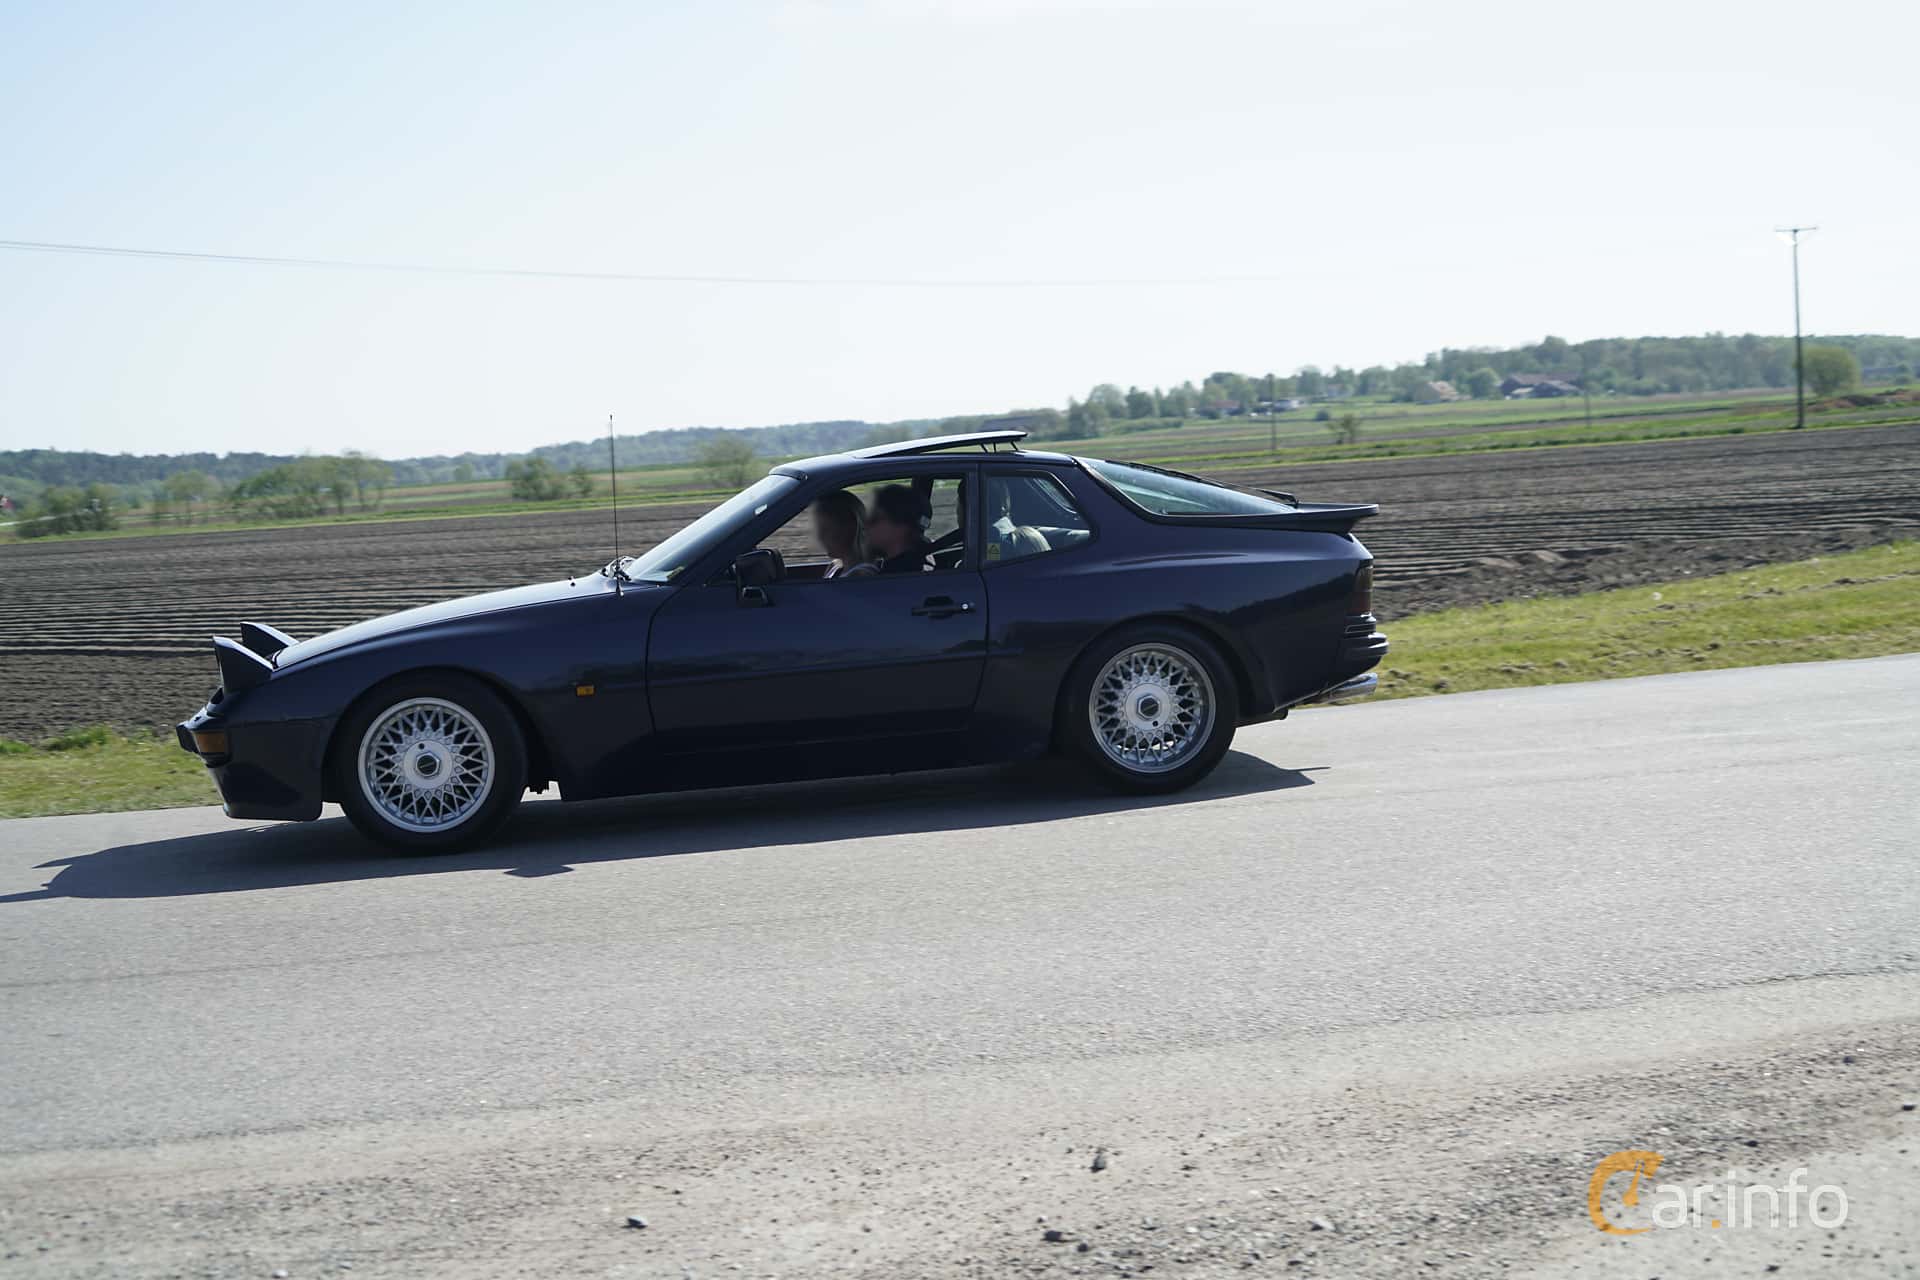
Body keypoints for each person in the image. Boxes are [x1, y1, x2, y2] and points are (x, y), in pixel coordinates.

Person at [866, 484, 934, 573]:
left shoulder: (896, 578)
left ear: (901, 529)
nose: (866, 524)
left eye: (874, 518)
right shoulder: (921, 563)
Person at [810, 489, 876, 578]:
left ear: (850, 528)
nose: (820, 536)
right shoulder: (835, 566)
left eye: (826, 529)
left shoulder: (859, 576)